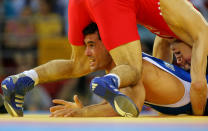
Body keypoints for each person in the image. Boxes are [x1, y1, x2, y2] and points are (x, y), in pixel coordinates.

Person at [67, 0, 208, 116]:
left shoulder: (135, 69)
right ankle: (111, 81)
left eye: (91, 46)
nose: (87, 53)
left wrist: (82, 112)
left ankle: (111, 81)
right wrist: (83, 111)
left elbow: (126, 106)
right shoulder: (133, 67)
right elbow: (123, 105)